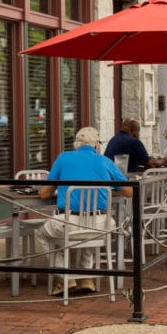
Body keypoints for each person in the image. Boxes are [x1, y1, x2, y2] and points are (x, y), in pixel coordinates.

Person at [37, 127, 133, 296]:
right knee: (90, 232)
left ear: (77, 144)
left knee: (41, 234)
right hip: (101, 225)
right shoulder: (105, 161)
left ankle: (65, 276)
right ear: (96, 145)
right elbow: (129, 192)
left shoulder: (63, 158)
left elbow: (44, 194)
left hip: (69, 222)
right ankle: (86, 277)